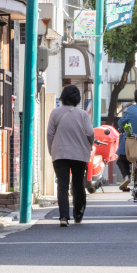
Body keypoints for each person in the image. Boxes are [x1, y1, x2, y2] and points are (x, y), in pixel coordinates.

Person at [46, 85, 95, 227]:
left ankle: (63, 217)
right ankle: (78, 214)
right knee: (78, 184)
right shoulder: (83, 114)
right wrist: (89, 145)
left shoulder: (55, 113)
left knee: (62, 185)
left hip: (59, 153)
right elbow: (90, 133)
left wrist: (52, 150)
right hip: (79, 154)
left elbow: (50, 134)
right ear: (77, 99)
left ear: (63, 97)